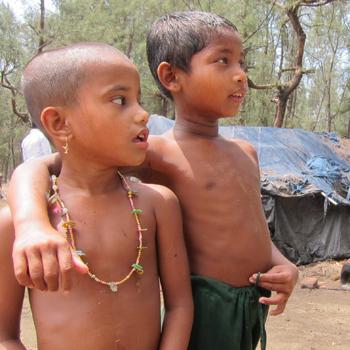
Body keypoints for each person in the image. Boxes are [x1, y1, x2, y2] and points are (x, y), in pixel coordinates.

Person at [8, 12, 298, 350]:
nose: (240, 76)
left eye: (242, 63)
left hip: (250, 302)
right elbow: (41, 168)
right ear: (171, 76)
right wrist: (30, 223)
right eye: (223, 61)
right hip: (203, 305)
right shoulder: (158, 152)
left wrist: (283, 264)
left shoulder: (246, 152)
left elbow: (255, 228)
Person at [0, 43, 193, 350]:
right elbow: (5, 336)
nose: (143, 114)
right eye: (120, 100)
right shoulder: (21, 228)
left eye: (139, 100)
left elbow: (180, 306)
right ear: (59, 123)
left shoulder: (158, 204)